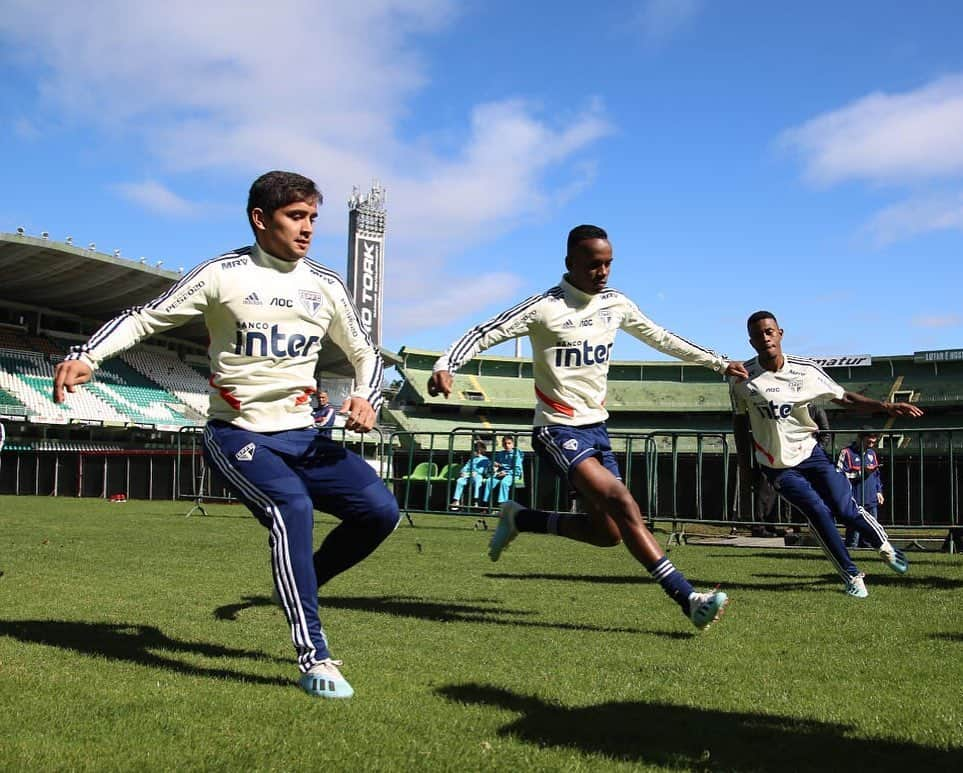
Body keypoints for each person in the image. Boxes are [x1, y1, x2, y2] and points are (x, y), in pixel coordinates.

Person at [52, 170, 399, 699]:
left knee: (380, 513)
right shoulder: (222, 274)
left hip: (305, 435)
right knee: (294, 511)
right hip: (239, 433)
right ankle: (316, 657)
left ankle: (300, 581)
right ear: (261, 219)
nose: (307, 229)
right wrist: (86, 355)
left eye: (313, 218)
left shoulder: (326, 284)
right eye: (295, 216)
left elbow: (364, 352)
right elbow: (144, 317)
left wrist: (365, 396)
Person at [429, 224, 748, 630]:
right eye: (594, 264)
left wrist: (718, 362)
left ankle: (523, 519)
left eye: (608, 263)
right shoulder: (543, 307)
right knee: (622, 501)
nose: (603, 272)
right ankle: (687, 597)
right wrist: (446, 365)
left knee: (609, 533)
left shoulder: (616, 304)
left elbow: (662, 338)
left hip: (597, 430)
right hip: (557, 429)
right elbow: (483, 332)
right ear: (570, 264)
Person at [731, 311, 922, 598]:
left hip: (811, 454)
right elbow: (740, 423)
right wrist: (746, 467)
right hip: (778, 465)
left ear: (780, 333)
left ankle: (883, 546)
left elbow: (844, 398)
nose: (765, 337)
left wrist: (885, 406)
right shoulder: (742, 378)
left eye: (769, 331)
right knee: (818, 512)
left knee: (845, 508)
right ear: (751, 341)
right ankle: (851, 576)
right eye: (758, 334)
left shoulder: (805, 370)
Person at [751, 402, 830, 536]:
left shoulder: (815, 409)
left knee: (799, 492)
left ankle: (793, 525)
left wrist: (813, 452)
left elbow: (825, 433)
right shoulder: (786, 405)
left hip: (803, 457)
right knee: (767, 491)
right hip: (778, 454)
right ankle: (762, 526)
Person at [837, 429, 883, 548]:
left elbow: (876, 474)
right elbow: (839, 475)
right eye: (869, 442)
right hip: (855, 500)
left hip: (871, 500)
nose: (871, 445)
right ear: (860, 438)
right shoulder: (846, 453)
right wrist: (861, 474)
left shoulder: (872, 453)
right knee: (853, 537)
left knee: (870, 534)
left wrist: (879, 491)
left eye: (873, 442)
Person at [483, 435, 524, 506]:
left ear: (513, 444)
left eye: (509, 443)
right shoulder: (501, 453)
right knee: (490, 481)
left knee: (504, 483)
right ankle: (487, 504)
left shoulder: (516, 454)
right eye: (505, 444)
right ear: (502, 444)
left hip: (513, 474)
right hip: (501, 474)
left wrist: (506, 472)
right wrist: (495, 464)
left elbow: (517, 470)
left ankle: (502, 504)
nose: (507, 445)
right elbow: (493, 462)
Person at [450, 440, 492, 509]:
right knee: (459, 481)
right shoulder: (471, 459)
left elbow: (483, 470)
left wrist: (477, 472)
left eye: (474, 450)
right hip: (468, 476)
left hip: (477, 476)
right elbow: (466, 467)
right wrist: (463, 472)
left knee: (477, 480)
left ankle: (476, 500)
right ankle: (456, 500)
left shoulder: (485, 459)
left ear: (478, 450)